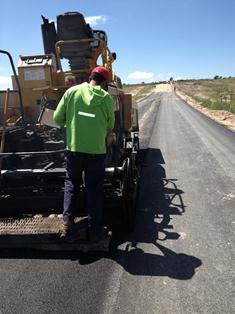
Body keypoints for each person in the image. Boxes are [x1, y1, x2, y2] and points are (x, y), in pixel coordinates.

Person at [53, 66, 115, 242]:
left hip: (74, 149)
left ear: (90, 77)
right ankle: (94, 229)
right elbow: (110, 125)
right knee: (94, 188)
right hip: (96, 152)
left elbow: (58, 119)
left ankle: (67, 222)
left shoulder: (71, 92)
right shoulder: (106, 98)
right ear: (104, 82)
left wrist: (72, 121)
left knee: (71, 183)